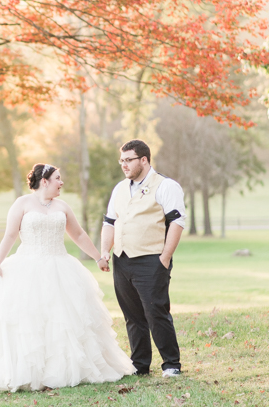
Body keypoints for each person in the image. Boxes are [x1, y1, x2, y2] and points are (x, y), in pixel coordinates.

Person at [0, 163, 135, 392]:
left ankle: (66, 369)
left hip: (60, 267)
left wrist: (98, 258)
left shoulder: (62, 206)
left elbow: (78, 234)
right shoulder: (22, 204)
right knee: (29, 321)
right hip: (28, 268)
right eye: (58, 178)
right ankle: (30, 371)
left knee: (63, 320)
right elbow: (10, 234)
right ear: (44, 181)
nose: (61, 182)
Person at [99, 139, 185, 378]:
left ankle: (171, 364)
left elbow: (177, 222)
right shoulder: (119, 188)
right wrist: (105, 251)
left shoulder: (166, 186)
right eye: (121, 160)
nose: (123, 165)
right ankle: (140, 365)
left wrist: (165, 257)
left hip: (152, 259)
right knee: (133, 316)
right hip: (122, 260)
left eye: (129, 160)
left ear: (144, 160)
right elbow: (109, 222)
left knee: (156, 312)